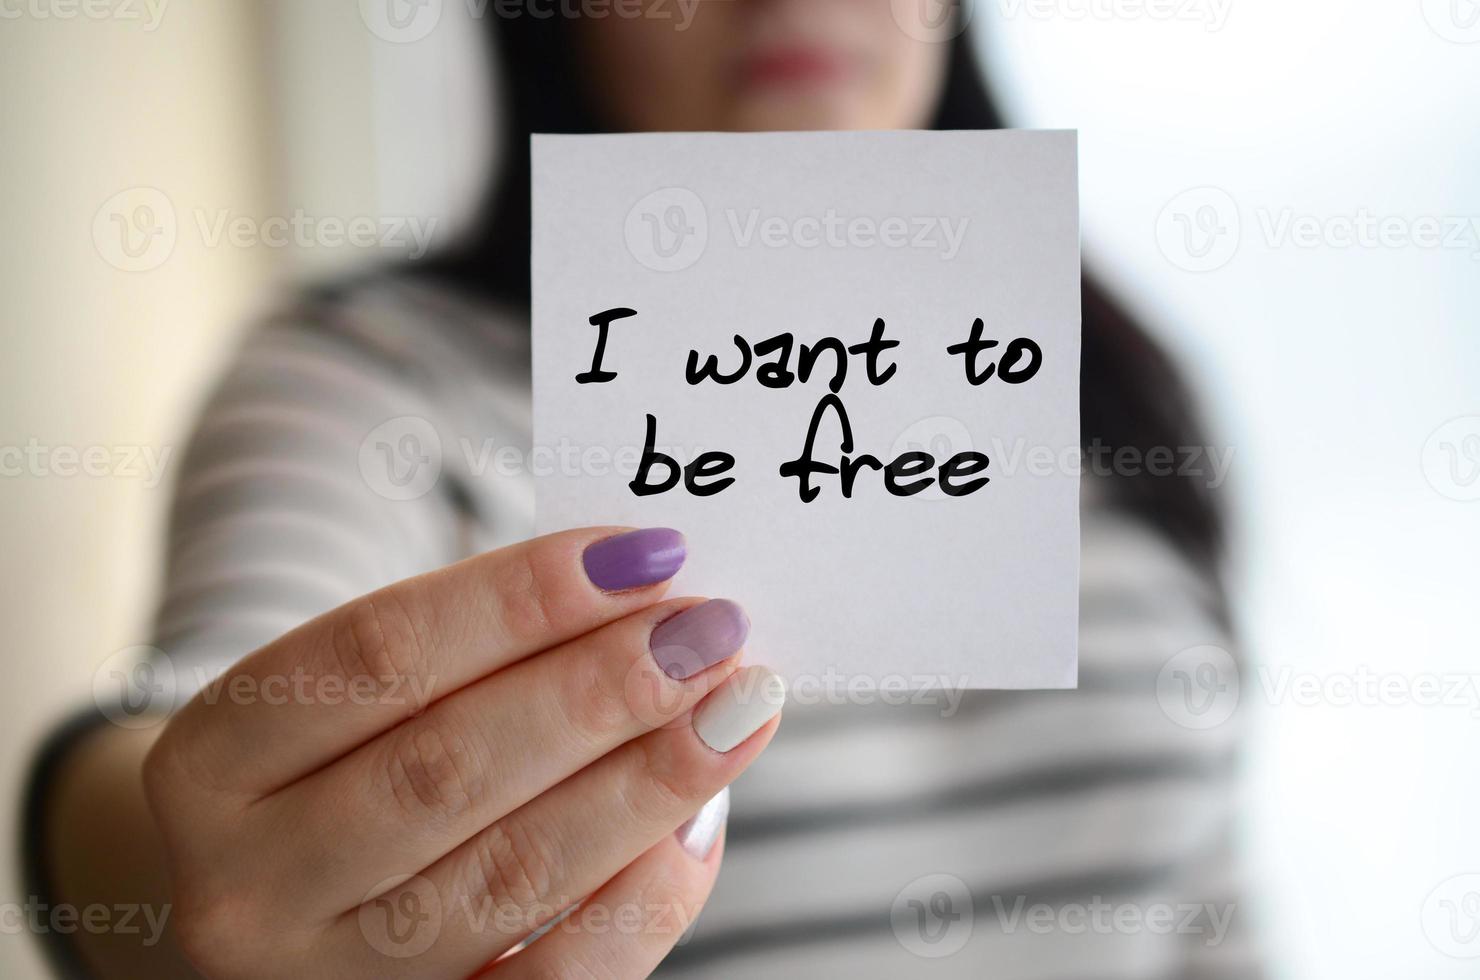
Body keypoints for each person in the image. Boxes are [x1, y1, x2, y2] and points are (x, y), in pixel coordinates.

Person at [26, 3, 1257, 977]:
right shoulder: (377, 385)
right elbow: (189, 738)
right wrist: (150, 858)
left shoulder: (1101, 378)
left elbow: (1214, 918)